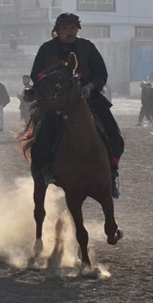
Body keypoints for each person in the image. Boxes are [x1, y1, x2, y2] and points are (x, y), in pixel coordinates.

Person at [30, 12, 124, 198]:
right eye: (65, 28)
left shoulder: (87, 47)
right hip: (57, 102)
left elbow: (101, 74)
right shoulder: (46, 50)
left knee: (114, 135)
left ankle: (112, 173)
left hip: (88, 99)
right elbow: (36, 75)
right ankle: (47, 170)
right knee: (41, 139)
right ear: (57, 30)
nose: (69, 31)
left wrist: (90, 87)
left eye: (73, 28)